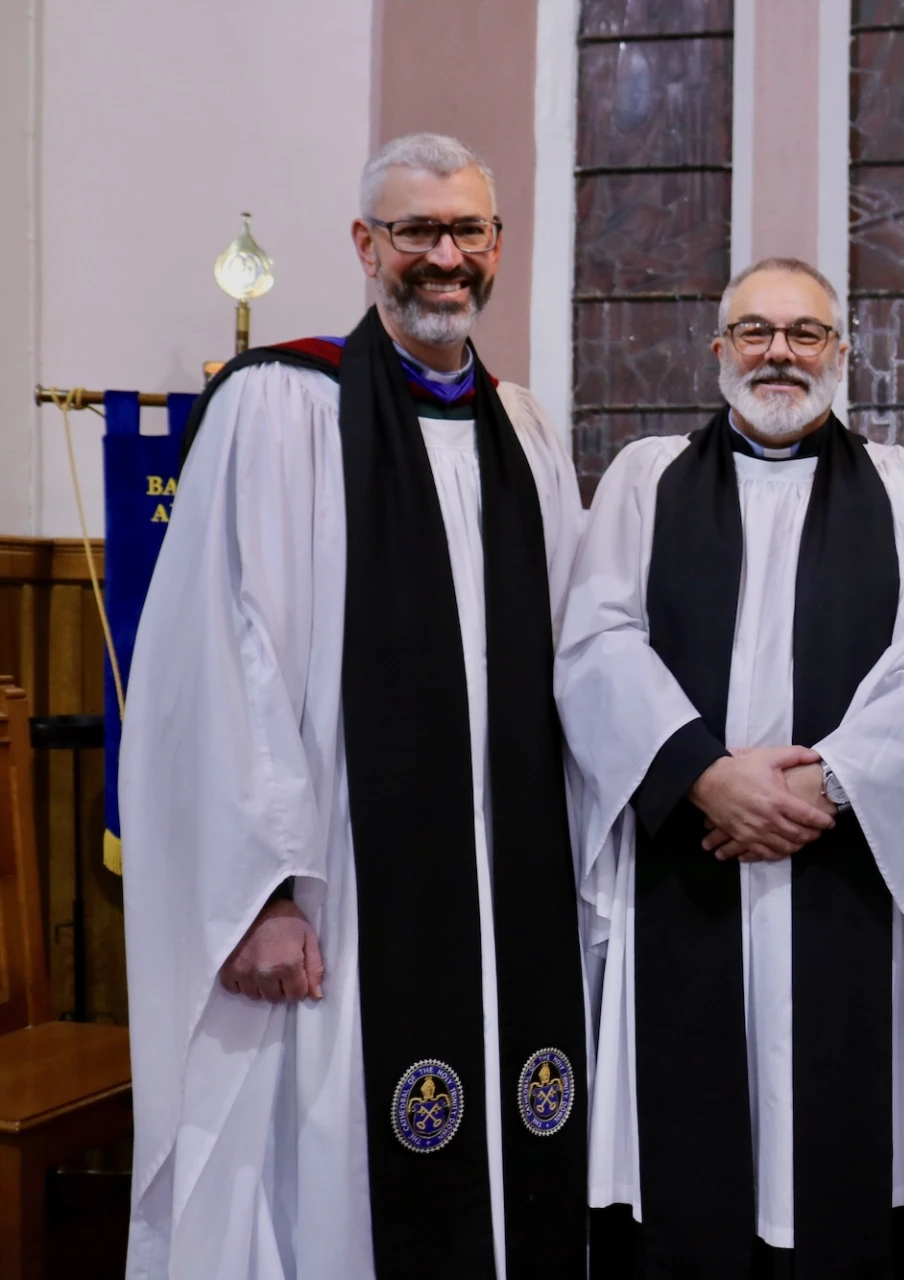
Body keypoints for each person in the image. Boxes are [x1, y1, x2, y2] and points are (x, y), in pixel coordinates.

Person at [122, 133, 589, 1278]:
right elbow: (227, 661)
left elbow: (580, 660)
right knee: (336, 1182)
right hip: (343, 888)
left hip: (506, 897)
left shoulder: (526, 433)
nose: (445, 257)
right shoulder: (283, 406)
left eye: (467, 231)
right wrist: (265, 891)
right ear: (364, 244)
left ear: (495, 245)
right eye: (417, 231)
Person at [555, 256, 904, 1277]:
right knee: (689, 1153)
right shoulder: (646, 476)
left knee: (841, 1150)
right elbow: (597, 643)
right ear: (718, 352)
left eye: (805, 333)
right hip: (688, 855)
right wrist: (700, 772)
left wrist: (826, 780)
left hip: (845, 855)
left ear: (841, 354)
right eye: (756, 331)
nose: (780, 353)